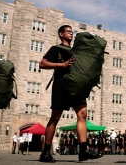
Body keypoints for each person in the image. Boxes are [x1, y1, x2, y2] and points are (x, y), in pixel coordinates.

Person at [38, 25, 103, 162]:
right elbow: (42, 64)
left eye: (72, 32)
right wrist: (62, 65)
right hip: (61, 84)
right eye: (68, 31)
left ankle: (83, 151)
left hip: (76, 86)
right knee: (55, 117)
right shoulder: (57, 49)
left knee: (82, 114)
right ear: (61, 34)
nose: (71, 33)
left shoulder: (76, 51)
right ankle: (45, 152)